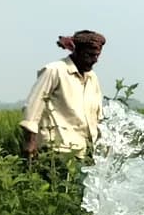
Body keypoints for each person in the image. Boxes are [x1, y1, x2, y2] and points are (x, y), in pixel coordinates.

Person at [19, 30, 106, 162]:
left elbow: (97, 115)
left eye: (97, 55)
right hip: (57, 149)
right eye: (89, 55)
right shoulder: (54, 71)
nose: (94, 60)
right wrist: (30, 141)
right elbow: (34, 106)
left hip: (85, 151)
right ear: (77, 51)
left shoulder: (92, 77)